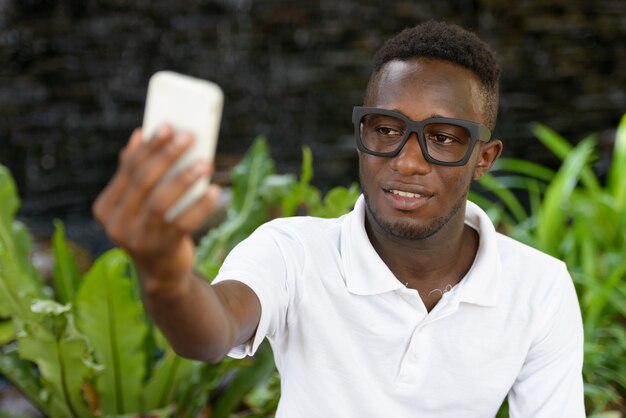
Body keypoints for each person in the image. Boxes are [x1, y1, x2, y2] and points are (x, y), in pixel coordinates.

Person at [93, 21, 584, 417]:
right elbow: (212, 332)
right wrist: (164, 272)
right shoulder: (292, 252)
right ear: (360, 137)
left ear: (485, 158)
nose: (408, 161)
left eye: (443, 137)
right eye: (387, 129)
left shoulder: (539, 288)